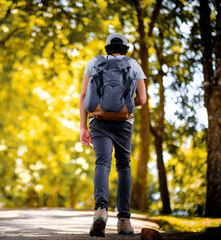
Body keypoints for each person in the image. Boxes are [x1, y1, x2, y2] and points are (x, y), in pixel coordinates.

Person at [79, 33, 147, 237]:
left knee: (102, 164)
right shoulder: (133, 64)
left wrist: (83, 127)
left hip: (98, 121)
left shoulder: (94, 62)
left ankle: (100, 211)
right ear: (125, 48)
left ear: (107, 47)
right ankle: (124, 221)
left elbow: (83, 96)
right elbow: (142, 99)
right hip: (124, 123)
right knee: (124, 166)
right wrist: (123, 106)